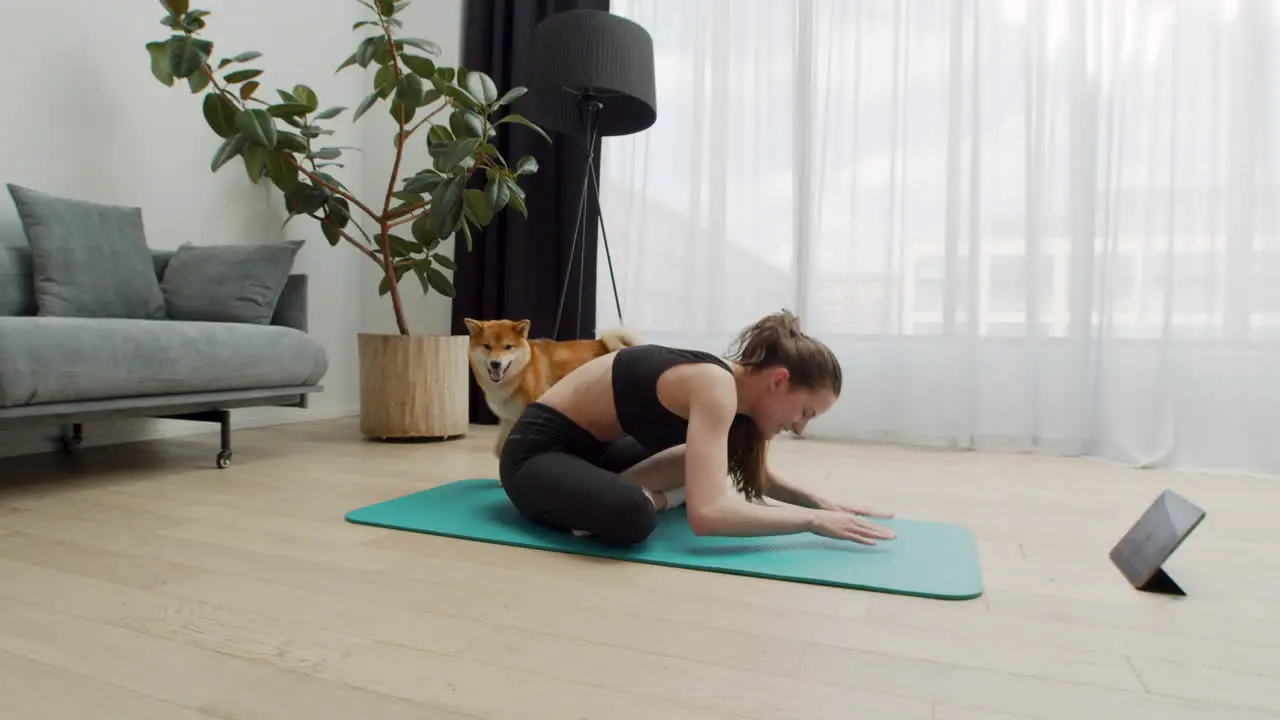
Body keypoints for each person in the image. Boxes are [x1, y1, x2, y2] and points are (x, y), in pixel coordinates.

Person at [497, 309, 896, 547]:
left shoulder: (737, 398)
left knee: (707, 463)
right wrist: (811, 523)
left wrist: (825, 505)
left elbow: (760, 478)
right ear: (779, 380)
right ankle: (629, 497)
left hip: (593, 453)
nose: (800, 427)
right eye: (805, 412)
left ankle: (603, 492)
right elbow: (708, 516)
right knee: (634, 514)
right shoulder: (715, 384)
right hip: (535, 455)